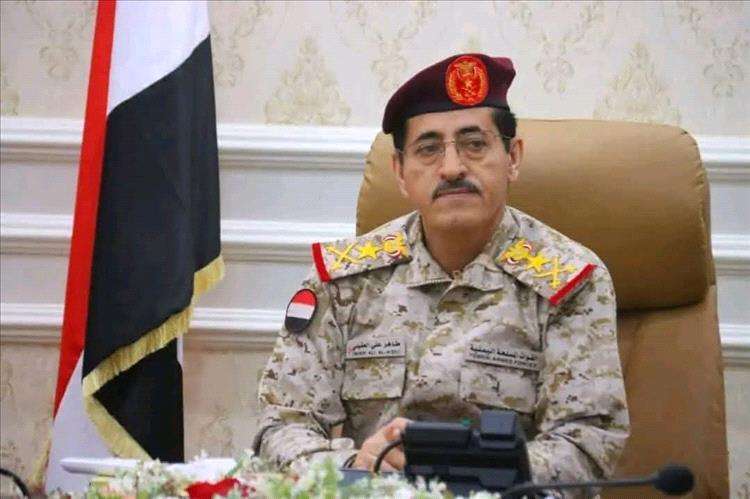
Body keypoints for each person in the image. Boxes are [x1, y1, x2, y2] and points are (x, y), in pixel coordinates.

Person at [252, 53, 629, 487]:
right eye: (428, 149)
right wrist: (354, 467)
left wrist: (462, 471)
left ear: (513, 157)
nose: (452, 168)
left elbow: (587, 442)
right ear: (400, 172)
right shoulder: (343, 281)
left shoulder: (570, 281)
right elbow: (281, 425)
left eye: (475, 144)